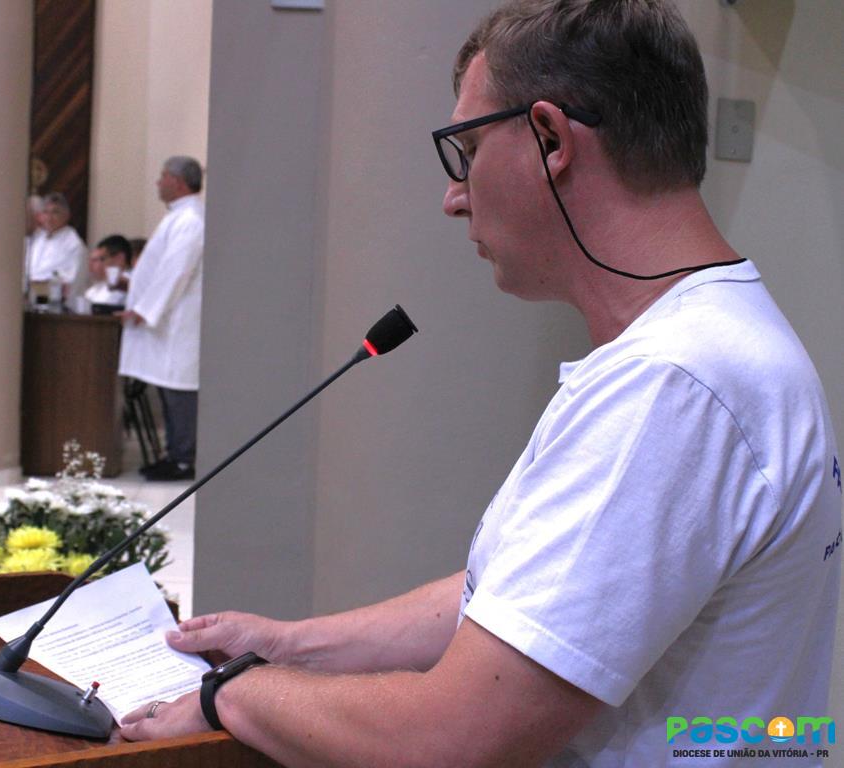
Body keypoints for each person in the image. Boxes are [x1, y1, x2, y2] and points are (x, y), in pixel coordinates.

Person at [120, 2, 841, 765]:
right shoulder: (720, 339)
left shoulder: (671, 384)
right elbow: (531, 600)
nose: (453, 195)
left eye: (464, 151)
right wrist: (295, 645)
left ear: (550, 138)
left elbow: (448, 739)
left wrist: (227, 695)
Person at [118, 157, 204, 482]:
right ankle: (174, 454)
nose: (158, 182)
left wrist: (145, 309)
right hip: (169, 319)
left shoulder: (191, 220)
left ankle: (182, 459)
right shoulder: (180, 216)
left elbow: (175, 269)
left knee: (179, 389)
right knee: (170, 389)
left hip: (178, 320)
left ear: (179, 182)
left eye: (163, 176)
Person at [24, 192, 88, 302]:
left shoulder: (73, 244)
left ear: (66, 215)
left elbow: (72, 280)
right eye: (45, 212)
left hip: (54, 303)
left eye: (55, 212)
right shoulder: (37, 239)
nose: (49, 217)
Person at [84, 234, 132, 311]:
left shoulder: (127, 283)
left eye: (102, 259)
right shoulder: (97, 287)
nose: (90, 265)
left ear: (119, 258)